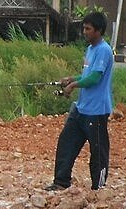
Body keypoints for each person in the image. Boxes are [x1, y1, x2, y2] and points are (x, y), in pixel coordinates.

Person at [45, 10, 113, 191]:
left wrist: (73, 86)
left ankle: (98, 187)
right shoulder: (90, 50)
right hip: (81, 108)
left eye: (88, 29)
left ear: (98, 30)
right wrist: (71, 78)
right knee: (66, 143)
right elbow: (86, 75)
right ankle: (61, 182)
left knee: (98, 151)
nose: (84, 32)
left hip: (97, 111)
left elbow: (94, 79)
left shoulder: (104, 51)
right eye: (84, 28)